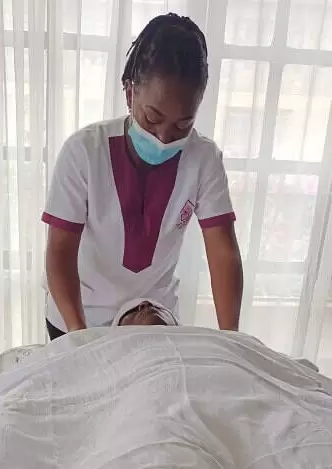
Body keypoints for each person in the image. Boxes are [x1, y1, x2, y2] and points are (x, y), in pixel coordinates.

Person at [42, 13, 243, 341]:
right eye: (153, 118)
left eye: (183, 125)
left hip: (152, 319)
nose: (165, 137)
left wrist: (232, 340)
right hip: (79, 315)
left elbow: (223, 251)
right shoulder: (84, 152)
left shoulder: (203, 159)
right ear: (130, 92)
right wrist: (79, 339)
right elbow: (60, 250)